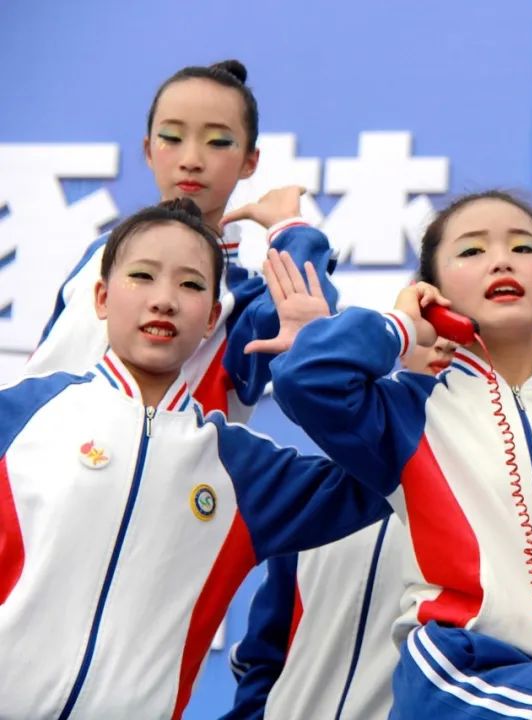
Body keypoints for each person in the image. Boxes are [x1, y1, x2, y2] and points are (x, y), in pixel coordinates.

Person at [266, 190, 532, 719]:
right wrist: (405, 327)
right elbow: (308, 380)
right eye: (471, 252)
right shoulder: (410, 411)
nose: (500, 260)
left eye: (522, 248)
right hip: (460, 671)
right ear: (434, 294)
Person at [0, 200, 388, 719]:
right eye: (141, 277)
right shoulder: (20, 416)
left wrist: (322, 349)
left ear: (211, 318)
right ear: (100, 296)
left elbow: (394, 471)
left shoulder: (243, 471)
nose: (163, 300)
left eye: (189, 285)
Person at [24, 59, 337, 421]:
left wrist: (291, 229)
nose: (190, 160)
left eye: (218, 142)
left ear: (250, 161)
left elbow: (309, 318)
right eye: (171, 138)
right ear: (147, 149)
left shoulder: (240, 300)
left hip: (191, 476)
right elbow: (41, 392)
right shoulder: (105, 256)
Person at [225, 339, 457, 720]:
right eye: (434, 324)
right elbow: (263, 656)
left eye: (467, 329)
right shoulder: (331, 493)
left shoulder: (500, 507)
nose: (446, 344)